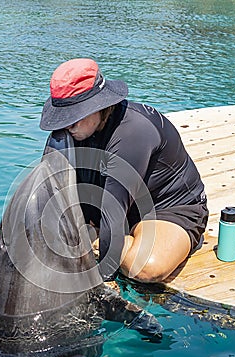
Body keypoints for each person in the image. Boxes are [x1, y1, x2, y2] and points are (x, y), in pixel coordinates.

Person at [40, 58, 208, 283]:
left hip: (165, 209)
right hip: (107, 209)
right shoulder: (71, 132)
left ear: (99, 106)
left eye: (75, 117)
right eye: (63, 118)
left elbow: (113, 211)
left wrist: (100, 281)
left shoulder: (133, 133)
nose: (67, 126)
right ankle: (109, 236)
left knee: (145, 268)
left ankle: (153, 241)